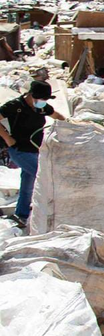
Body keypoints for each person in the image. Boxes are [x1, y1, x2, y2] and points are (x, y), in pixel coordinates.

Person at [0, 80, 65, 227]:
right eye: (42, 99)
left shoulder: (41, 108)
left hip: (35, 150)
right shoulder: (15, 106)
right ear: (31, 95)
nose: (44, 102)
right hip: (19, 150)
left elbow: (57, 116)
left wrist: (69, 125)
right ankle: (54, 214)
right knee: (44, 178)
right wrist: (7, 138)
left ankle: (21, 215)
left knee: (27, 185)